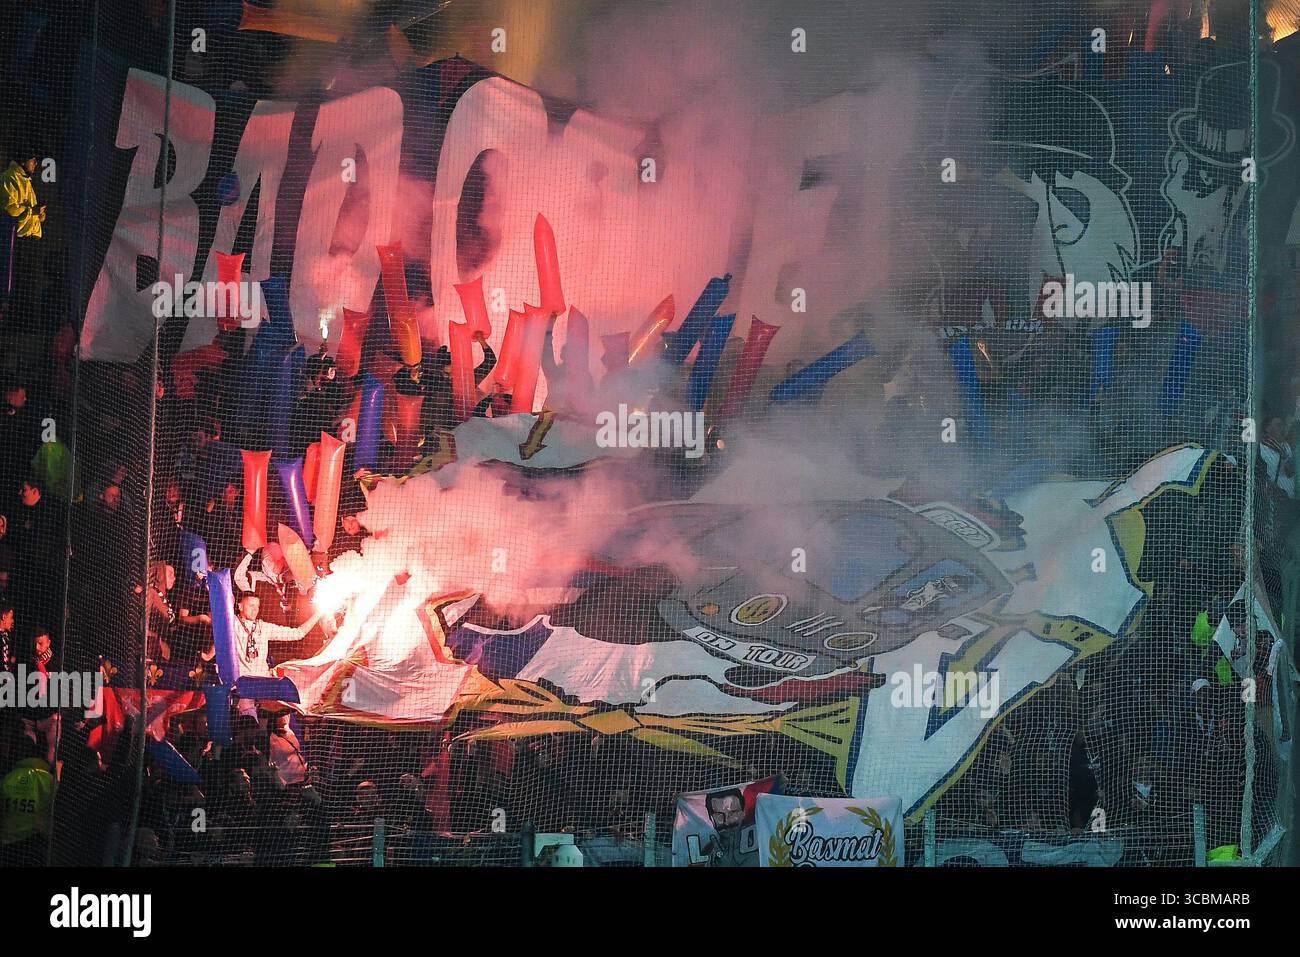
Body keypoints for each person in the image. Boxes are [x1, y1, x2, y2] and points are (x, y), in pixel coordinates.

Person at [231, 590, 324, 679]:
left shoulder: (263, 627)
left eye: (257, 606)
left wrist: (318, 614)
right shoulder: (232, 623)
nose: (255, 609)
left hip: (263, 680)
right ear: (240, 607)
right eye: (251, 605)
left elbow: (298, 633)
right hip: (242, 681)